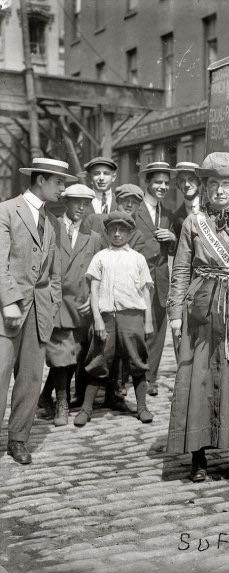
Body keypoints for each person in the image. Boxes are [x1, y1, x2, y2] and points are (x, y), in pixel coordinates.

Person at [166, 152, 229, 483]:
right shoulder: (193, 222)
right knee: (199, 377)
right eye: (214, 184)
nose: (220, 190)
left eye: (227, 184)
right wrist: (175, 314)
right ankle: (198, 454)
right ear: (205, 188)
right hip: (201, 306)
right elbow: (180, 268)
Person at [0, 157, 69, 464]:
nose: (62, 189)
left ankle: (18, 439)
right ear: (40, 180)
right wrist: (9, 301)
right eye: (59, 183)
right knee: (0, 375)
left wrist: (51, 306)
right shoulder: (6, 211)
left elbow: (55, 274)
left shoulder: (52, 222)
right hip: (8, 310)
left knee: (30, 378)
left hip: (39, 312)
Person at [75, 211, 155, 427]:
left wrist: (147, 321)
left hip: (133, 317)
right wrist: (98, 319)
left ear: (129, 232)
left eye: (122, 230)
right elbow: (94, 290)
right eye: (113, 230)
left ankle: (142, 407)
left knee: (137, 361)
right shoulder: (100, 257)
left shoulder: (137, 259)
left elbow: (146, 292)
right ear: (107, 232)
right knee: (99, 359)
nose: (117, 234)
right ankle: (86, 409)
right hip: (107, 317)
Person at [38, 184, 104, 426]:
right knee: (61, 353)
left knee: (69, 356)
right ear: (66, 202)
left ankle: (45, 396)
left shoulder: (94, 237)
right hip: (55, 302)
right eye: (76, 202)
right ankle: (62, 404)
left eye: (86, 203)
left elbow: (98, 273)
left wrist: (93, 297)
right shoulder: (50, 227)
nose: (81, 207)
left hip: (80, 306)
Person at [135, 161, 179, 397]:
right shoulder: (135, 210)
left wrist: (172, 237)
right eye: (157, 182)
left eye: (165, 183)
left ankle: (150, 378)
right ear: (148, 183)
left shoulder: (168, 213)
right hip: (137, 279)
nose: (162, 186)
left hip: (160, 279)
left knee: (157, 330)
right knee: (134, 328)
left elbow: (173, 251)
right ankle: (127, 377)